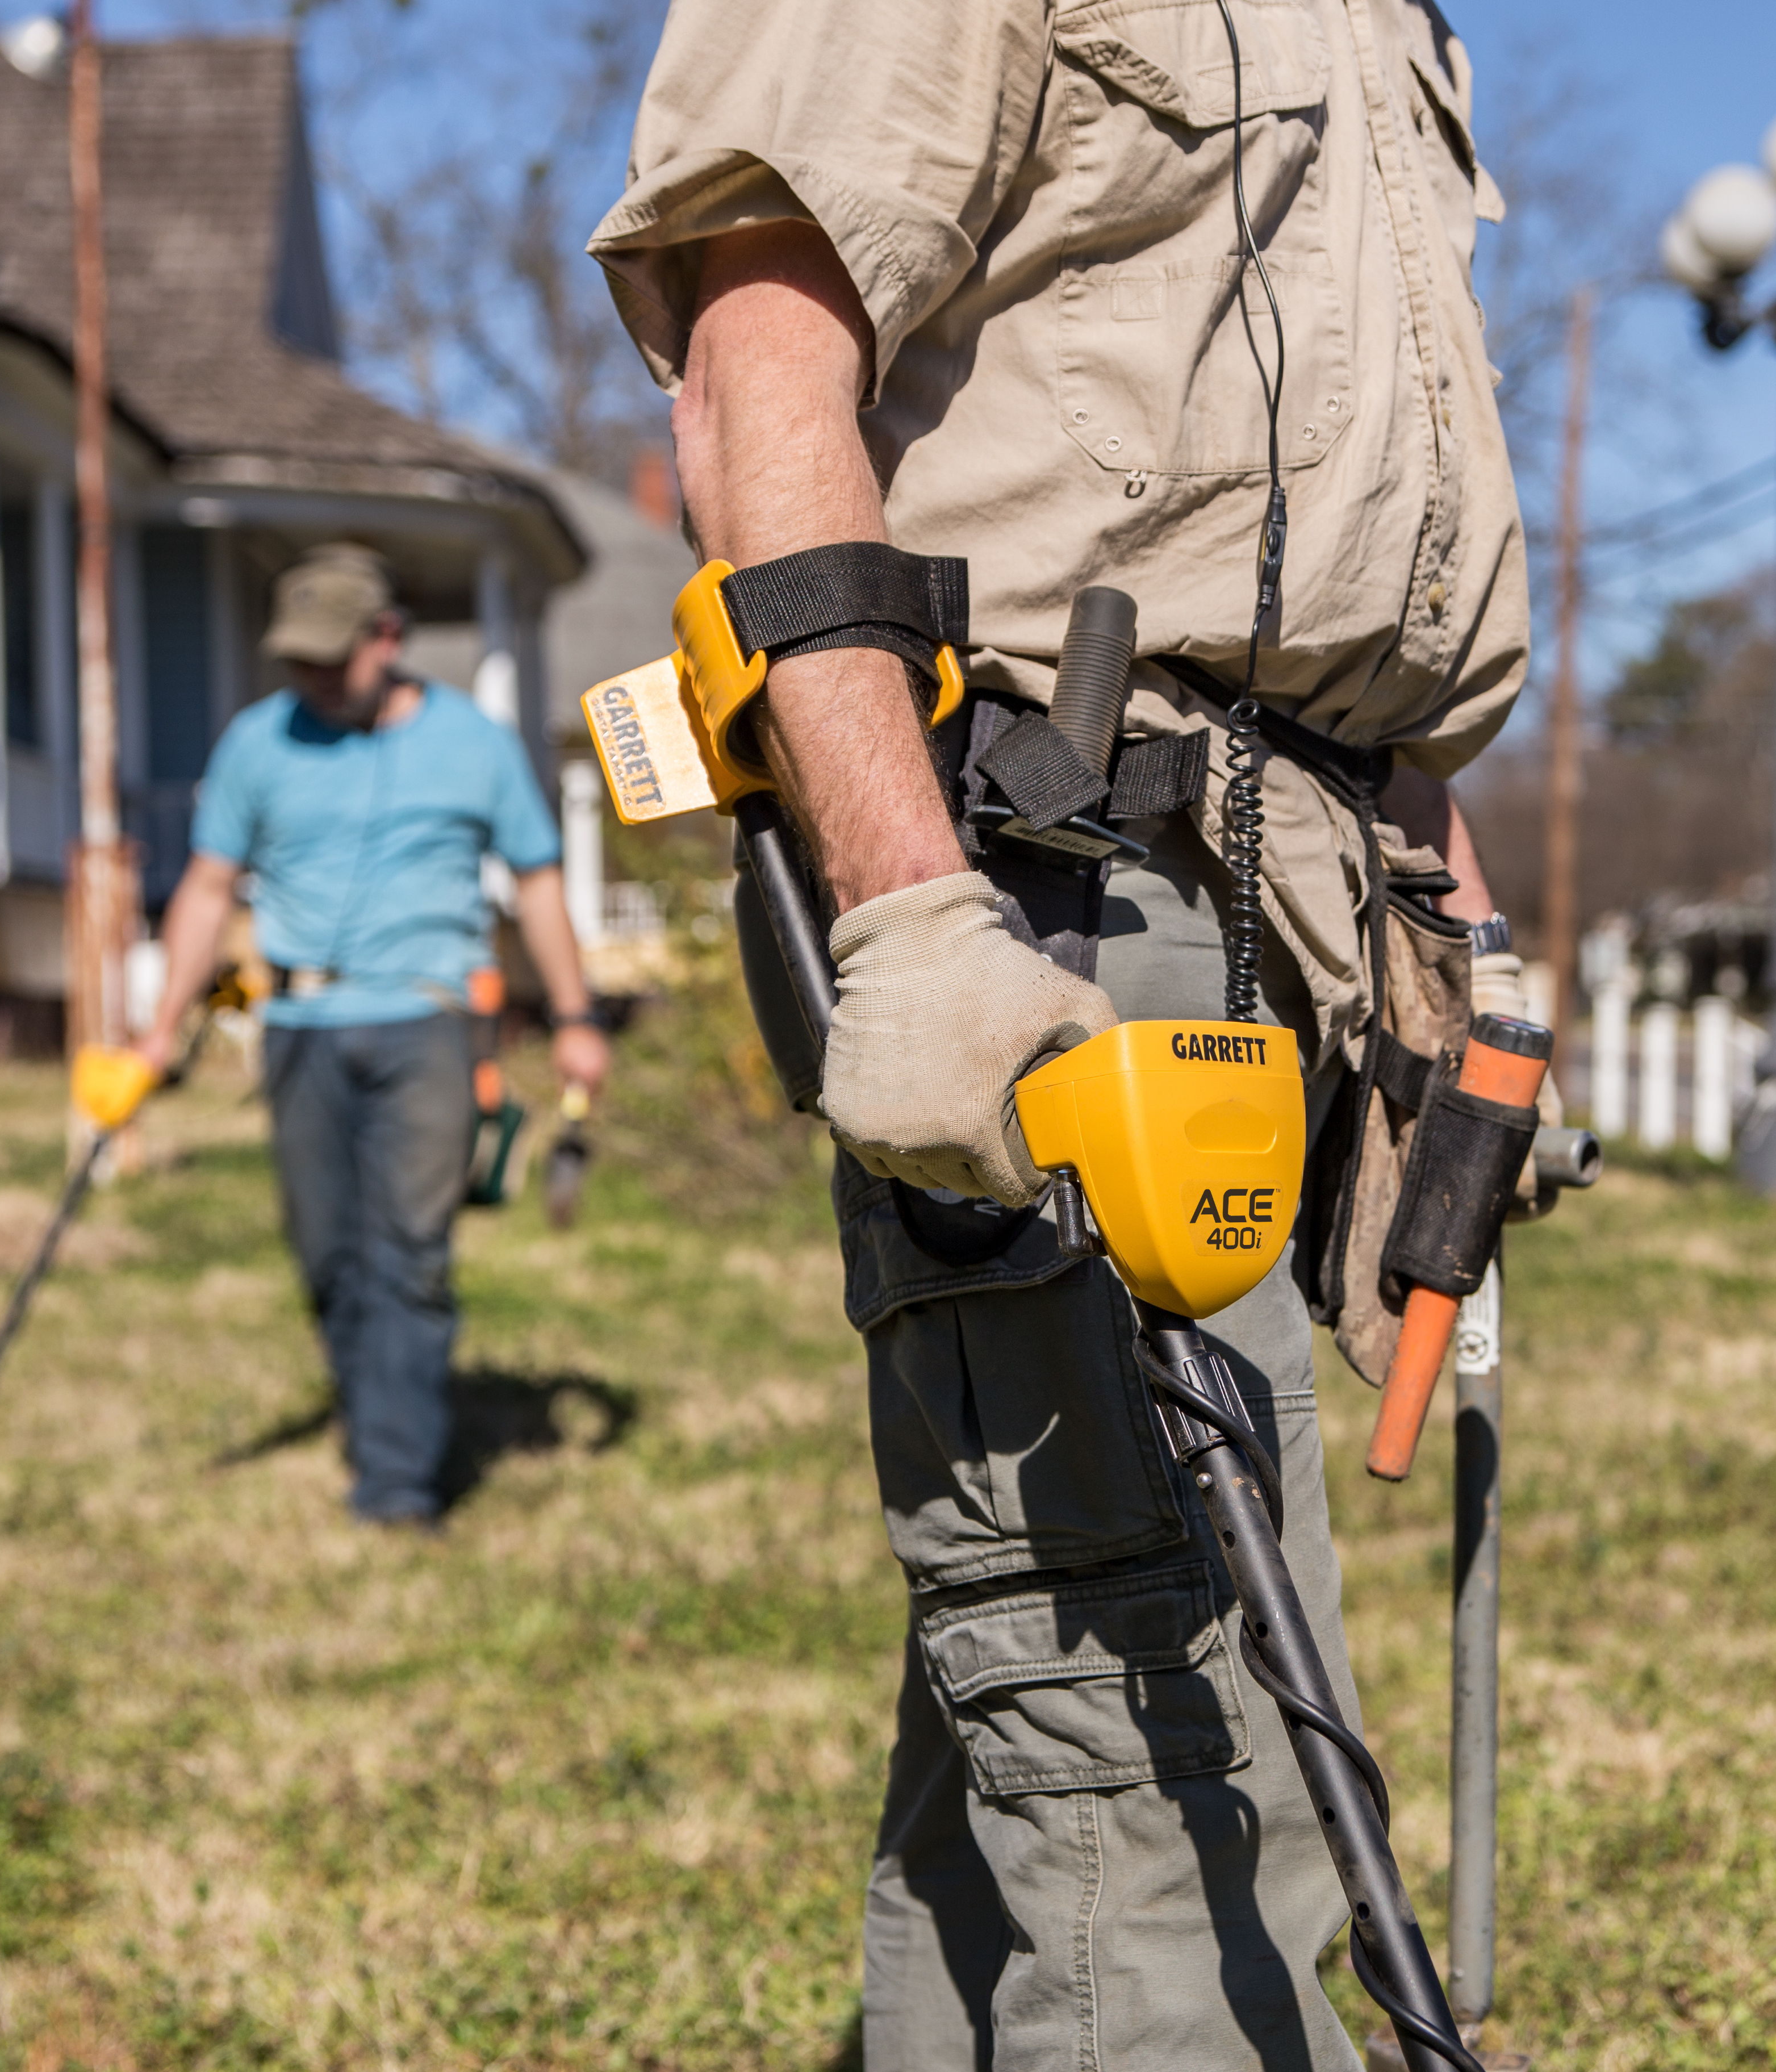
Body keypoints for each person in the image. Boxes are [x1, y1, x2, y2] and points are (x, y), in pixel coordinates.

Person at [588, 0, 1536, 2062]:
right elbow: (760, 372)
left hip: (1300, 886)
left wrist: (1455, 937)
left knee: (1046, 1670)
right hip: (1045, 873)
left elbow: (1349, 554)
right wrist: (919, 920)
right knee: (1166, 1732)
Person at [130, 544, 609, 1530]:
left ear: (386, 640)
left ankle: (395, 1480)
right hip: (300, 1026)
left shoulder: (473, 745)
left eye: (328, 659)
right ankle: (375, 1408)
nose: (308, 679)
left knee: (408, 1251)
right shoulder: (258, 745)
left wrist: (575, 1018)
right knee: (326, 1257)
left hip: (425, 1023)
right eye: (295, 660)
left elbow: (539, 881)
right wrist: (155, 1034)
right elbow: (208, 891)